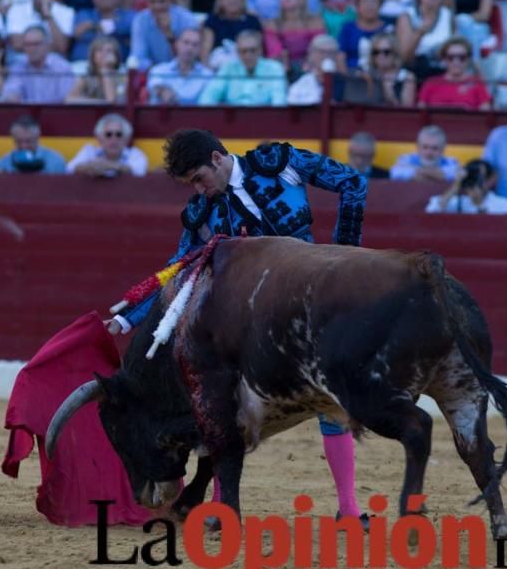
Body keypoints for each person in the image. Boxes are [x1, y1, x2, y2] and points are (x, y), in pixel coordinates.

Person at [110, 128, 369, 526]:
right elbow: (177, 271)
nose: (199, 191)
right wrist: (128, 316)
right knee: (219, 402)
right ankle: (219, 505)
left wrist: (342, 256)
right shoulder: (202, 213)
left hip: (305, 303)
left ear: (217, 158)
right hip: (250, 326)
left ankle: (349, 509)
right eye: (190, 186)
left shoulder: (281, 164)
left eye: (199, 179)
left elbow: (353, 184)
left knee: (331, 396)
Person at [198, 28, 288, 105]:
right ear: (237, 52)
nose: (248, 55)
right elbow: (208, 98)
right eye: (243, 51)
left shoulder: (274, 68)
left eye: (253, 50)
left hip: (264, 120)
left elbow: (279, 103)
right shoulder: (228, 68)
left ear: (260, 50)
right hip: (232, 121)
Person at [395, 0, 454, 82]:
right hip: (414, 71)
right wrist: (419, 32)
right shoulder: (407, 16)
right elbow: (405, 57)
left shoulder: (449, 16)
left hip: (442, 70)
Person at [262, 0, 325, 75]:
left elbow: (319, 47)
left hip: (310, 67)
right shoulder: (273, 23)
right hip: (282, 68)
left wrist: (309, 63)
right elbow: (274, 51)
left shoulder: (315, 21)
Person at [5, 0, 75, 57]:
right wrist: (51, 46)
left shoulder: (66, 12)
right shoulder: (16, 11)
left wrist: (48, 16)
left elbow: (62, 47)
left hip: (54, 65)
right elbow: (17, 44)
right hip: (23, 63)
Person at [130, 0, 199, 70]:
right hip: (153, 74)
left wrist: (169, 34)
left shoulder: (187, 19)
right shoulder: (140, 20)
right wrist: (159, 71)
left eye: (162, 1)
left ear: (170, 0)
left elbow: (190, 55)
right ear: (147, 2)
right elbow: (138, 57)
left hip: (183, 72)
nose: (157, 6)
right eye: (152, 2)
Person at [0, 25, 75, 103]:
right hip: (26, 113)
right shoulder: (19, 66)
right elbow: (10, 92)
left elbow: (67, 99)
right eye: (28, 44)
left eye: (36, 44)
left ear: (47, 45)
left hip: (55, 113)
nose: (32, 49)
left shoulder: (62, 67)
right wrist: (11, 96)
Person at [70, 0, 135, 61]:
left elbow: (129, 32)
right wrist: (116, 30)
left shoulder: (130, 16)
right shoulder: (83, 14)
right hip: (83, 67)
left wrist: (92, 26)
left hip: (119, 68)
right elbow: (77, 33)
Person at [199, 0, 262, 68]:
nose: (232, 0)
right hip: (218, 71)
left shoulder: (253, 21)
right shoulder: (212, 21)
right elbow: (205, 53)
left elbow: (258, 52)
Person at [416, 36, 491, 110]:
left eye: (462, 58)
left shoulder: (477, 83)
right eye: (451, 58)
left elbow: (485, 114)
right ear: (444, 59)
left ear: (468, 59)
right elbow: (420, 113)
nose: (456, 62)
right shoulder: (431, 83)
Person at [342, 31, 415, 106]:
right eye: (376, 52)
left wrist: (388, 92)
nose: (381, 55)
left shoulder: (406, 76)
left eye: (386, 52)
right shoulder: (364, 73)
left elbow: (406, 110)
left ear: (395, 53)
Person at [66, 113, 149, 178]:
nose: (114, 139)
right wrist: (88, 167)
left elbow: (139, 171)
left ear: (126, 139)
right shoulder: (89, 151)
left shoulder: (135, 154)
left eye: (119, 134)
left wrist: (107, 165)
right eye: (108, 134)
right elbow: (69, 169)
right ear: (99, 138)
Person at [148, 27, 214, 104]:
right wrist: (163, 92)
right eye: (186, 42)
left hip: (196, 115)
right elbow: (157, 88)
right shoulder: (158, 70)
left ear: (200, 49)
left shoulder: (208, 75)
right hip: (164, 115)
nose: (190, 48)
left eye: (195, 45)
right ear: (177, 44)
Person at [426, 159, 507, 214]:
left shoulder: (502, 204)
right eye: (474, 177)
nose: (476, 182)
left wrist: (480, 205)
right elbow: (432, 212)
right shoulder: (457, 201)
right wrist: (455, 187)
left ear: (489, 181)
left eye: (480, 178)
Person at [0, 115, 67, 174]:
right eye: (19, 141)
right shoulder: (5, 161)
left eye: (28, 141)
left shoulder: (55, 160)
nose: (24, 146)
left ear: (37, 138)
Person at [336, 0, 389, 71]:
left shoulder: (388, 30)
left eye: (373, 1)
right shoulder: (347, 29)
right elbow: (340, 57)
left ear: (380, 5)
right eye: (365, 1)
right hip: (352, 77)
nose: (369, 5)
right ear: (357, 6)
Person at [65, 35, 125, 103]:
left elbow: (111, 100)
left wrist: (105, 69)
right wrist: (99, 103)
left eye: (109, 51)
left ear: (116, 57)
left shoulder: (122, 78)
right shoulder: (86, 78)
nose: (104, 54)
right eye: (100, 50)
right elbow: (69, 99)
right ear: (93, 56)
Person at [390, 125, 459, 182]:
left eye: (435, 148)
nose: (429, 152)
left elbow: (456, 175)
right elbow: (395, 173)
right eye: (425, 147)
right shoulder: (405, 159)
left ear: (443, 149)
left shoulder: (451, 162)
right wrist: (438, 175)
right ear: (418, 147)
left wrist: (416, 172)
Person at [286, 33, 340, 104]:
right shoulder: (299, 81)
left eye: (330, 52)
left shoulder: (344, 84)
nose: (326, 56)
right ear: (311, 53)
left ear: (336, 56)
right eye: (321, 52)